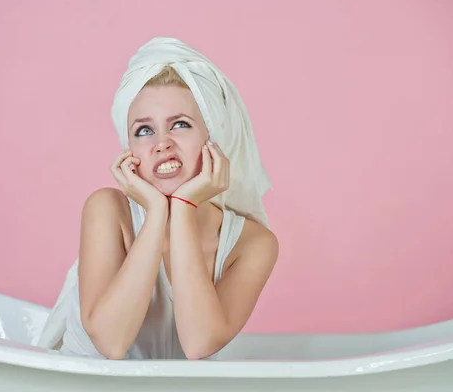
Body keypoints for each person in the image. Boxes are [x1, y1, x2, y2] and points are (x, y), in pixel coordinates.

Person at [36, 37, 278, 360]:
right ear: (130, 149)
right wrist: (155, 213)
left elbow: (198, 343)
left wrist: (184, 207)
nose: (161, 144)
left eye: (180, 124)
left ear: (214, 139)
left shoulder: (253, 244)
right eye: (144, 131)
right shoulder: (107, 210)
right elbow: (110, 342)